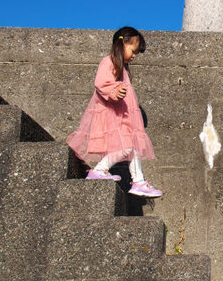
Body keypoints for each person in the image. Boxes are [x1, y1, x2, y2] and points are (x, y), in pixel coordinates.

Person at [66, 26, 162, 198]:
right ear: (122, 43)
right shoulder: (109, 61)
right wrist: (114, 91)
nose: (133, 56)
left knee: (133, 148)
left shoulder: (121, 68)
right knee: (127, 147)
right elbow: (101, 83)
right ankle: (100, 170)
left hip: (122, 116)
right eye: (133, 51)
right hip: (113, 117)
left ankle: (139, 181)